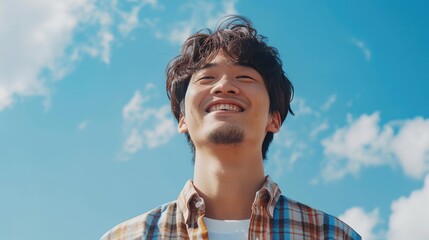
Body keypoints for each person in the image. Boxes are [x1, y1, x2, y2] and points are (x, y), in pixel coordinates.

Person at [101, 15, 361, 240]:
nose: (223, 86)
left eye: (245, 77)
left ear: (275, 119)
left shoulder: (331, 234)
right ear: (182, 119)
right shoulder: (128, 236)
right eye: (206, 78)